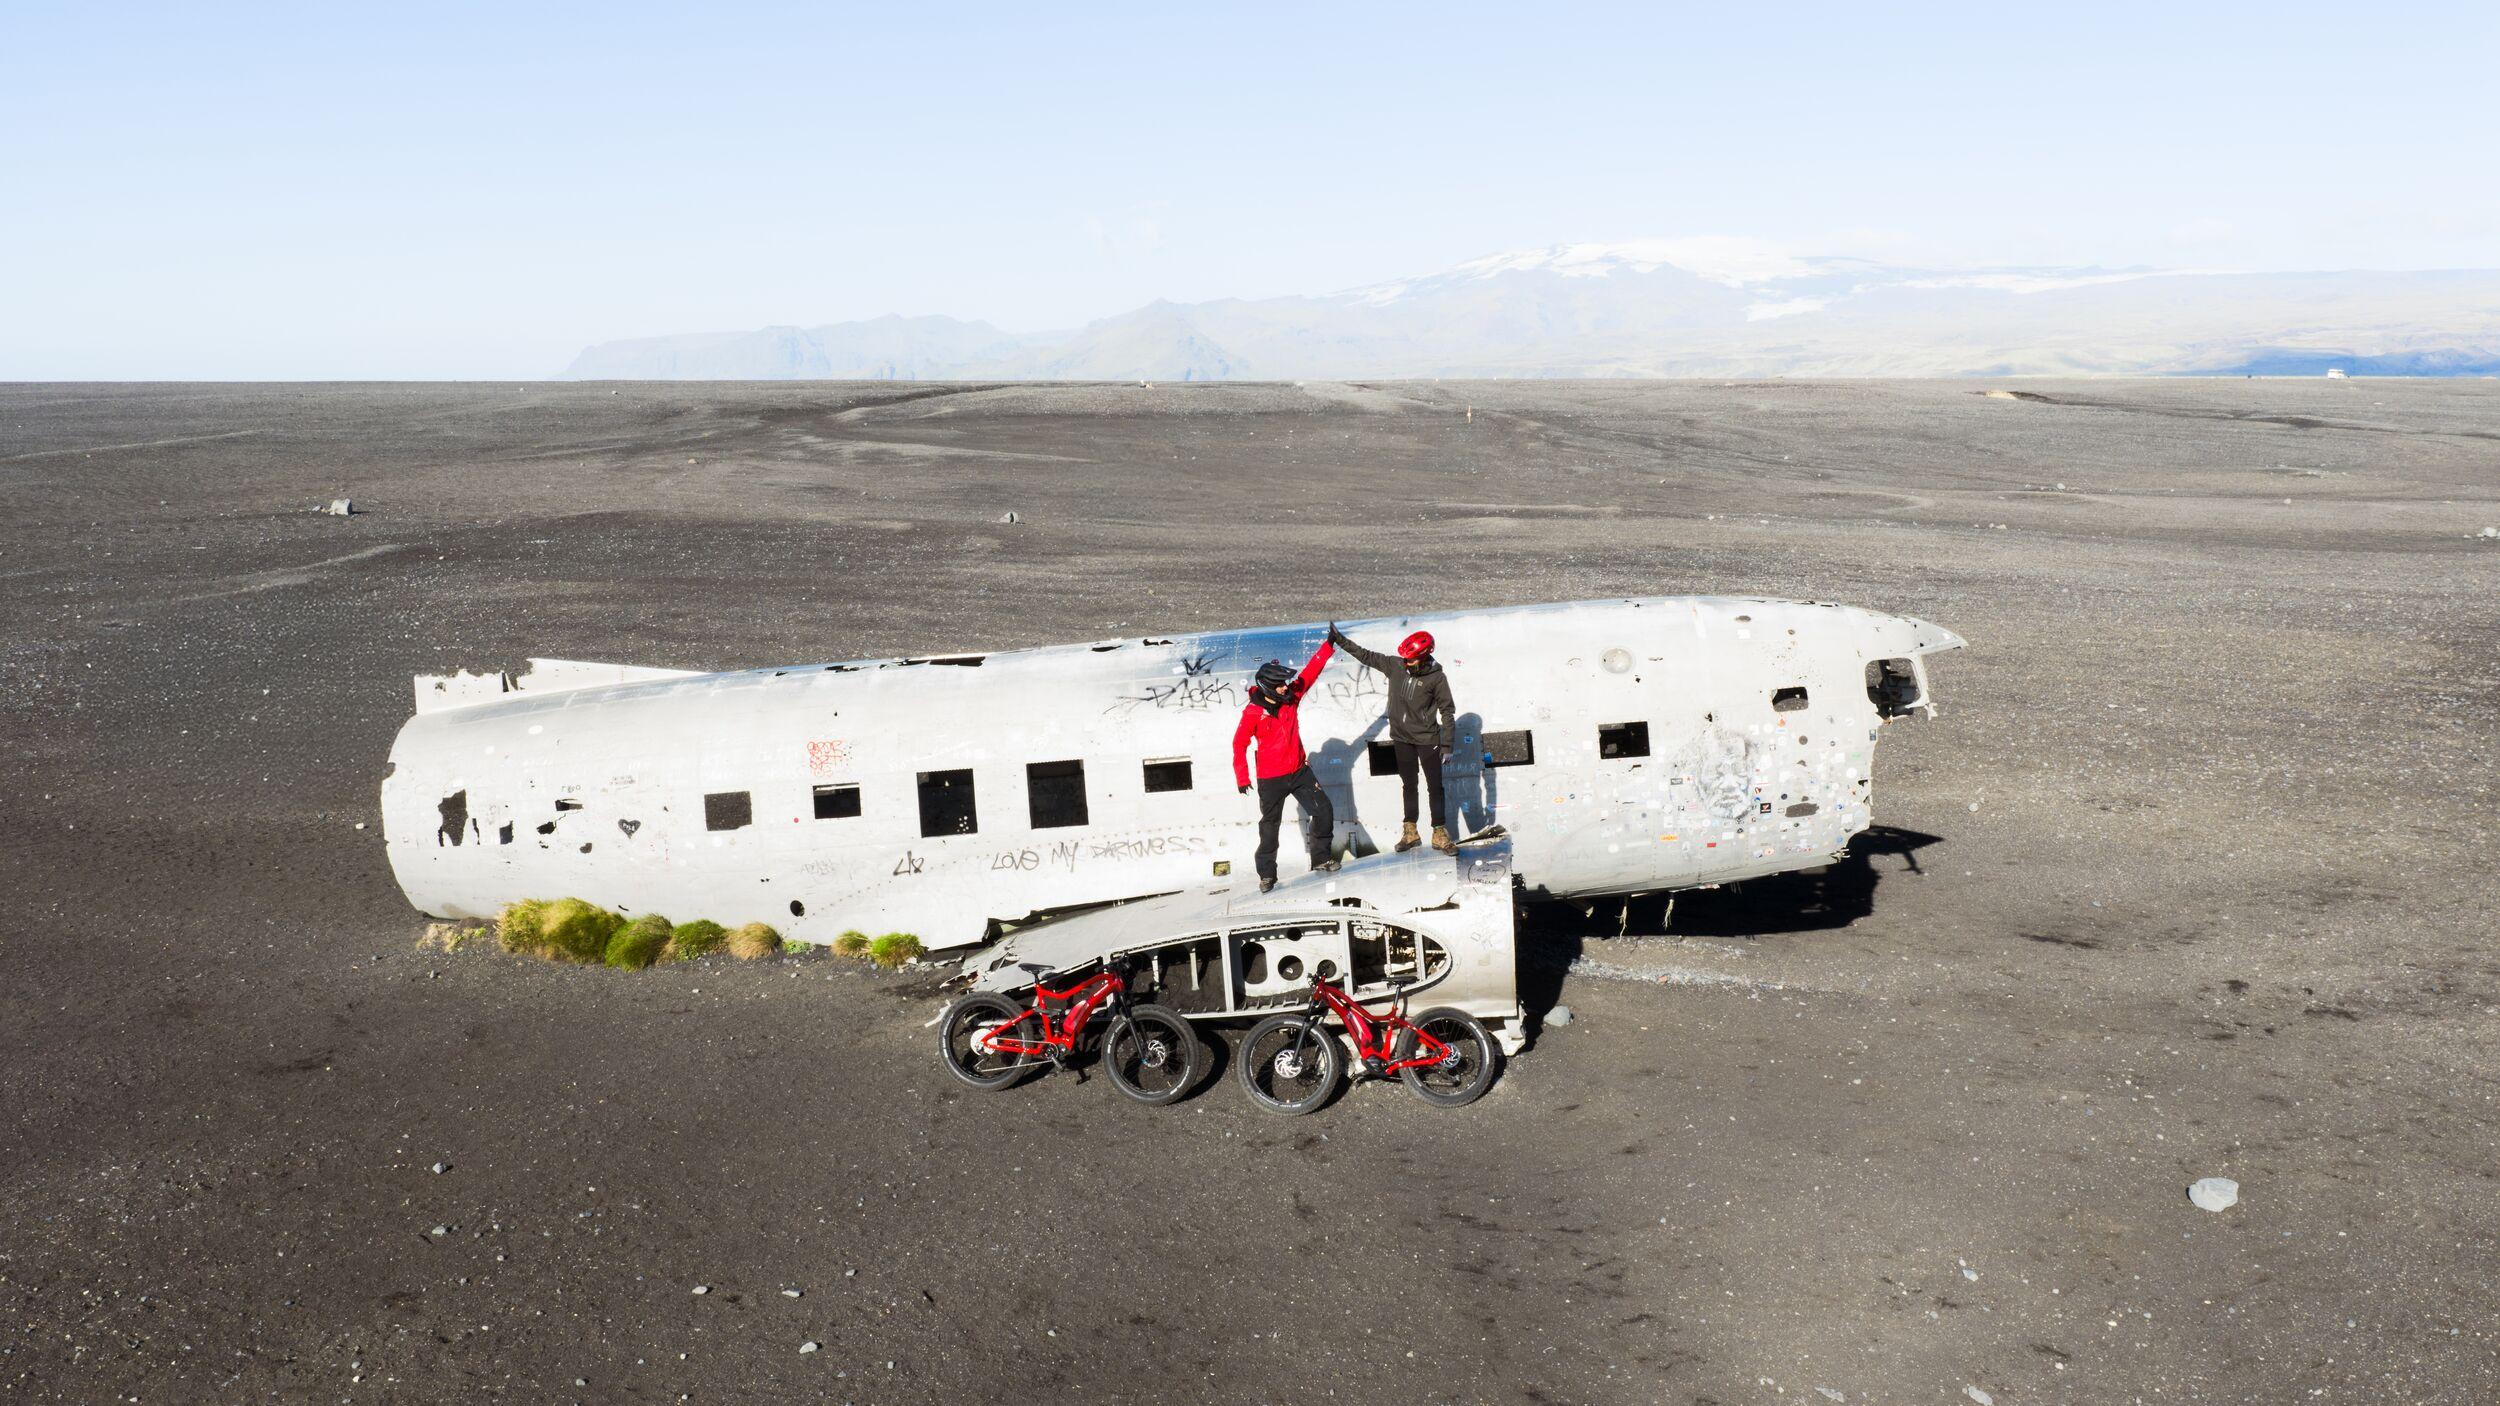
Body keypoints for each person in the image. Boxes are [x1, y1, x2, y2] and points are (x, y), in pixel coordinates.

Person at [1327, 621, 1457, 854]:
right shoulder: (1395, 666)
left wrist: (1447, 745)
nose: (1406, 663)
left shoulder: (1437, 678)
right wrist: (1341, 640)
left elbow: (1447, 711)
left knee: (1435, 787)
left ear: (1425, 656)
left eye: (1411, 660)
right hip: (1402, 739)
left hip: (1428, 740)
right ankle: (1410, 833)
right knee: (1409, 785)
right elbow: (1366, 656)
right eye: (1405, 659)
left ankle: (1439, 833)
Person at [1231, 636, 1340, 892]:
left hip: (1299, 771)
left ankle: (1321, 859)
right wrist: (1242, 778)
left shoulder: (1292, 698)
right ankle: (1267, 875)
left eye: (1285, 683)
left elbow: (1310, 673)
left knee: (1323, 810)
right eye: (1279, 685)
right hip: (1271, 779)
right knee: (1269, 827)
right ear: (1267, 687)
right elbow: (1239, 744)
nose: (1285, 687)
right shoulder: (1253, 713)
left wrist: (1329, 645)